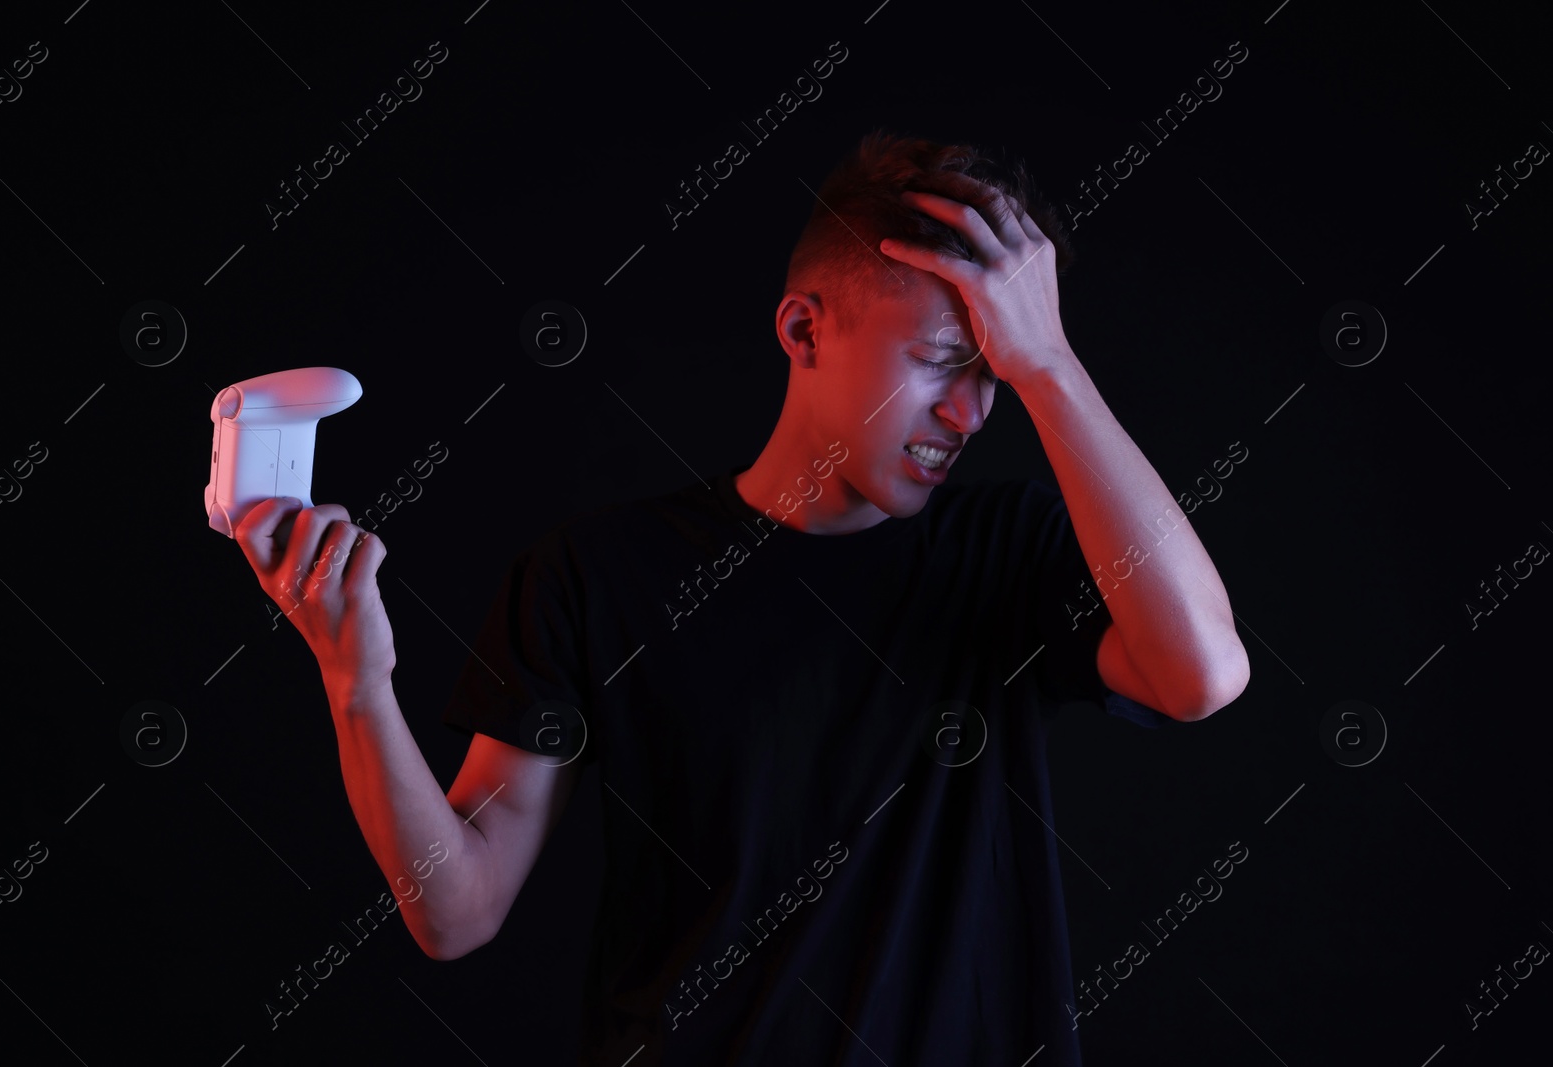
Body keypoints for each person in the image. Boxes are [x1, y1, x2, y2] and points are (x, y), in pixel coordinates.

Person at [235, 129, 1250, 1065]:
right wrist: (355, 681)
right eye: (944, 361)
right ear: (804, 330)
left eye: (997, 375)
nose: (969, 410)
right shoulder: (596, 574)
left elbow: (1201, 674)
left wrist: (1051, 362)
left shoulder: (1010, 551)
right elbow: (454, 909)